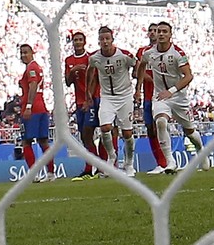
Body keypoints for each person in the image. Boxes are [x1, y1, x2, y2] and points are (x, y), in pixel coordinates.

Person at [142, 21, 203, 173]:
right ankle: (170, 162)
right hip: (160, 96)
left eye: (164, 31)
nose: (161, 34)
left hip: (178, 97)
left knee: (189, 130)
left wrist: (172, 90)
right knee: (161, 122)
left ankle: (201, 151)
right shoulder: (149, 53)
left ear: (170, 35)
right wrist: (139, 84)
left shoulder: (178, 54)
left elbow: (188, 76)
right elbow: (141, 65)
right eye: (158, 31)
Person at [87, 26, 139, 176]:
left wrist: (137, 87)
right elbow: (90, 71)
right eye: (102, 39)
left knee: (127, 133)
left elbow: (138, 65)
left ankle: (129, 164)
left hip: (124, 96)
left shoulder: (124, 55)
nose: (105, 42)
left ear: (112, 40)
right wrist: (88, 92)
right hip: (107, 97)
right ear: (98, 41)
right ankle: (112, 156)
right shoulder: (95, 58)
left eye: (107, 39)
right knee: (105, 127)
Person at [63, 30, 100, 179]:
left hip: (90, 100)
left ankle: (94, 165)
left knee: (88, 131)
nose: (77, 42)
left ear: (84, 42)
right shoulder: (69, 60)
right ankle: (92, 165)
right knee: (84, 136)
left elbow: (95, 80)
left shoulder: (90, 58)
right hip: (78, 102)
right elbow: (68, 82)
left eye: (80, 40)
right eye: (75, 40)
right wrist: (72, 71)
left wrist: (88, 98)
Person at [133, 24, 171, 172]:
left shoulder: (167, 51)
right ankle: (160, 163)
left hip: (161, 95)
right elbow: (137, 72)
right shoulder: (143, 52)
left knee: (160, 125)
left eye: (156, 31)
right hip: (148, 95)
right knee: (150, 128)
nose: (153, 33)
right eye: (151, 31)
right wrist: (138, 91)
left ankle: (168, 160)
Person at [17, 43, 54, 180]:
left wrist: (28, 106)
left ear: (32, 53)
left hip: (32, 110)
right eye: (21, 53)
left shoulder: (32, 68)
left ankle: (34, 174)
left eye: (26, 52)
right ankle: (51, 173)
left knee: (26, 142)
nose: (23, 55)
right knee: (43, 141)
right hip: (41, 107)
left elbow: (32, 85)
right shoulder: (36, 67)